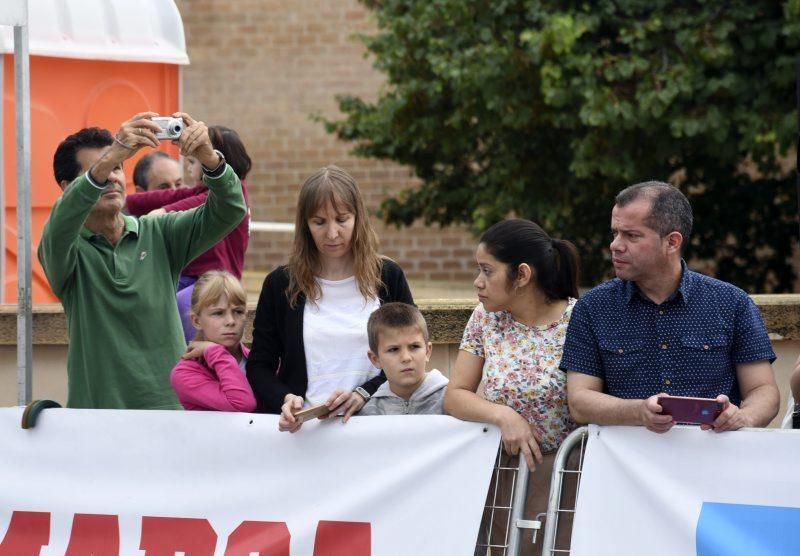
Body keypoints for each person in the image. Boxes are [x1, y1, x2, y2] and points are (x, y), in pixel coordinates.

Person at [39, 112, 247, 409]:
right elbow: (60, 222)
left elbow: (230, 208)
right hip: (97, 418)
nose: (112, 176)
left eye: (119, 167)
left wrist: (209, 159)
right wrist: (111, 157)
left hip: (170, 413)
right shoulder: (65, 250)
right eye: (103, 168)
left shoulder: (159, 233)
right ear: (67, 187)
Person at [562, 181, 779, 433]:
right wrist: (639, 411)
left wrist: (742, 417)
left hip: (715, 460)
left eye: (631, 235)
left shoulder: (732, 303)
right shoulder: (594, 307)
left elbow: (763, 390)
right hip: (625, 464)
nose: (615, 245)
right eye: (615, 233)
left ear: (672, 242)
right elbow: (579, 401)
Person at [444, 218, 580, 554]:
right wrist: (505, 416)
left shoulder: (578, 320)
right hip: (500, 472)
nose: (478, 282)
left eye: (487, 271)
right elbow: (456, 395)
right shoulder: (485, 318)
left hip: (563, 476)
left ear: (522, 275)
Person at [247, 165, 414, 430]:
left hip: (378, 427)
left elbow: (410, 355)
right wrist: (285, 399)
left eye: (342, 219)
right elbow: (259, 366)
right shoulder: (280, 284)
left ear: (358, 218)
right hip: (306, 435)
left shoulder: (388, 277)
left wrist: (363, 393)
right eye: (319, 222)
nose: (332, 233)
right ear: (305, 226)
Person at [126, 125, 252, 343]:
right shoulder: (203, 191)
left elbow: (168, 208)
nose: (190, 170)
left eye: (193, 162)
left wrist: (158, 214)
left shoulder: (228, 193)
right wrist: (122, 201)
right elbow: (167, 197)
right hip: (196, 277)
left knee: (179, 305)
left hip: (216, 280)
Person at [170, 271, 256, 411]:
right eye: (218, 313)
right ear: (196, 321)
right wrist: (215, 352)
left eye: (238, 312)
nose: (230, 321)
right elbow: (242, 404)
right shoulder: (184, 374)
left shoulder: (258, 361)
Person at [358, 302, 448, 416]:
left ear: (427, 351)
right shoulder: (369, 413)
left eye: (414, 347)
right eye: (393, 349)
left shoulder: (452, 401)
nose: (406, 358)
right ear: (375, 359)